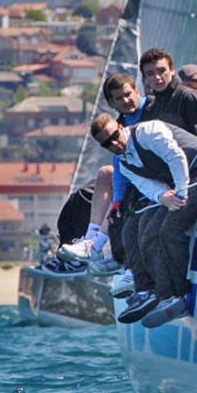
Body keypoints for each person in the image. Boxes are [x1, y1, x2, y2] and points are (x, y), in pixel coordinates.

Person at [91, 113, 197, 328]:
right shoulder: (125, 164)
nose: (114, 143)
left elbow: (176, 157)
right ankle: (158, 293)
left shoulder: (147, 132)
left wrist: (180, 194)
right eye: (107, 143)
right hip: (182, 184)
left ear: (120, 127)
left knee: (169, 228)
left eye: (115, 136)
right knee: (141, 229)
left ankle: (181, 294)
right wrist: (163, 196)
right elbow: (149, 187)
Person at [56, 73, 148, 294]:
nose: (126, 100)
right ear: (111, 104)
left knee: (131, 203)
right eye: (119, 98)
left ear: (137, 91)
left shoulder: (151, 110)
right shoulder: (121, 122)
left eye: (128, 94)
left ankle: (104, 250)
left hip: (154, 177)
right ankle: (91, 240)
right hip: (135, 174)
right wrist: (116, 199)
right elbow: (119, 162)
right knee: (105, 174)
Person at [140, 48, 197, 141]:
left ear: (172, 70)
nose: (157, 77)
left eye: (161, 71)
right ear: (145, 78)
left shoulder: (188, 97)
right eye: (150, 73)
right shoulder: (152, 106)